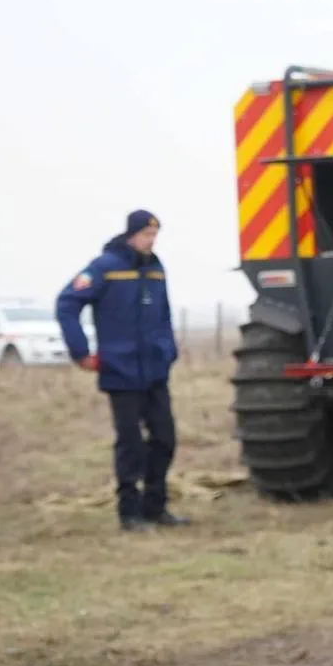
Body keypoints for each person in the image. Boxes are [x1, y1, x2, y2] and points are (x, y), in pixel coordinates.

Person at [56, 209, 190, 533]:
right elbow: (67, 304)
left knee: (164, 439)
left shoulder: (156, 269)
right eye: (146, 235)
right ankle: (129, 514)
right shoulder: (106, 267)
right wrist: (80, 352)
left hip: (155, 371)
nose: (151, 241)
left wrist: (168, 350)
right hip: (121, 371)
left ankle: (156, 507)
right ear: (131, 234)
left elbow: (164, 314)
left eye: (154, 235)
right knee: (130, 443)